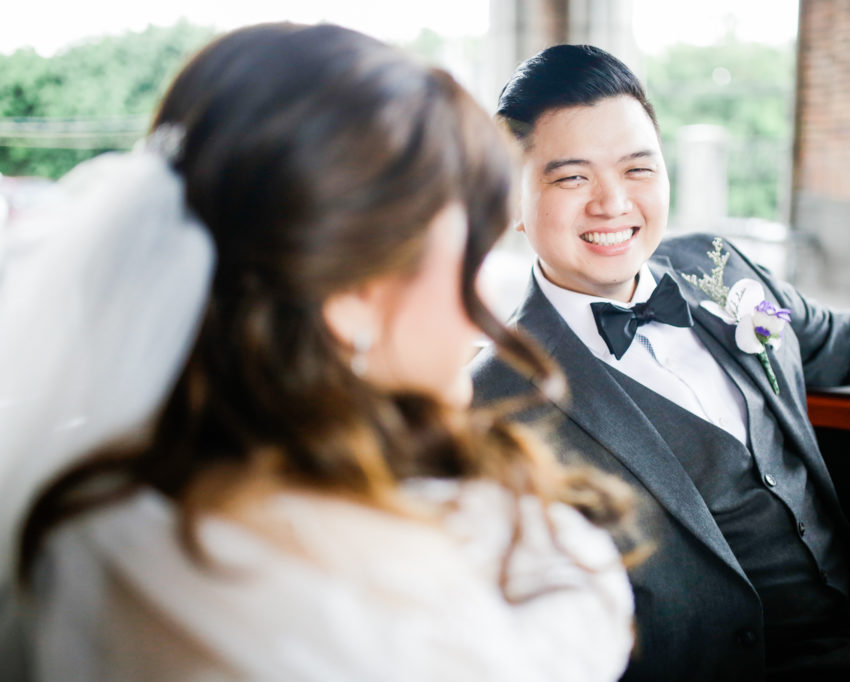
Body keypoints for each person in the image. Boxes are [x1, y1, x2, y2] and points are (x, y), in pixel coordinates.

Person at [2, 25, 637, 681]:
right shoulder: (327, 601)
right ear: (351, 295)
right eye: (473, 250)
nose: (486, 299)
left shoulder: (106, 520)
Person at [470, 44, 850, 681]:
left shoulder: (716, 268)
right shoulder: (498, 398)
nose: (613, 203)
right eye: (572, 178)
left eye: (638, 169)